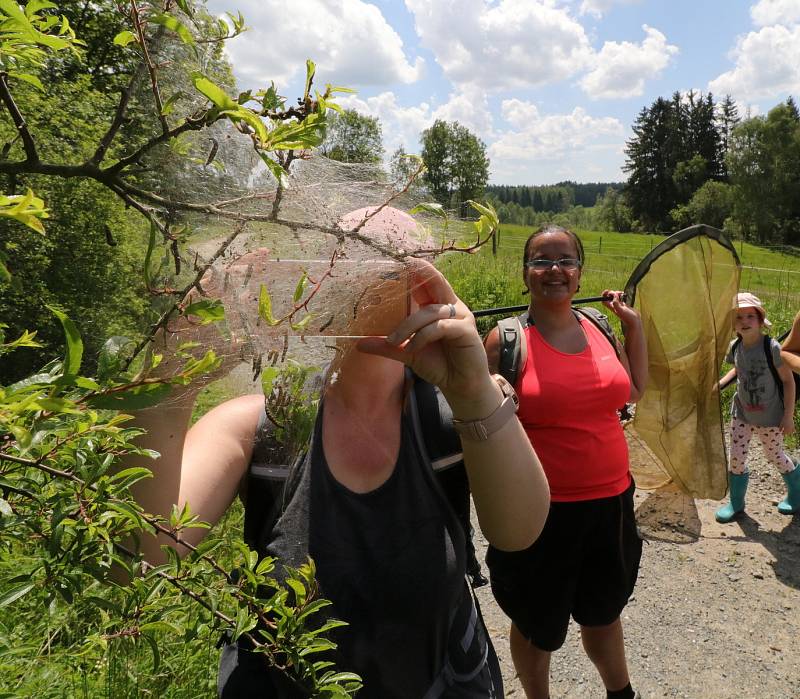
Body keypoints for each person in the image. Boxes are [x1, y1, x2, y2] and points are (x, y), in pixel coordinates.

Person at [126, 248, 551, 698]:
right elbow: (138, 557)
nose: (371, 276)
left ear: (428, 291)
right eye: (349, 255)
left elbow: (519, 532)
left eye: (392, 262)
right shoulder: (253, 426)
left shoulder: (455, 420)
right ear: (320, 288)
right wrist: (169, 377)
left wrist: (474, 393)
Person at [483, 225, 648, 699]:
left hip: (612, 500)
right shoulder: (505, 341)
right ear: (526, 272)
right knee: (538, 623)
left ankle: (622, 694)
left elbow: (633, 390)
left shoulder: (598, 325)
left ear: (579, 272)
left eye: (565, 260)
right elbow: (481, 428)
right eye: (541, 260)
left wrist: (632, 325)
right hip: (539, 511)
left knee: (604, 611)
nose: (554, 270)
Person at [715, 293, 798, 522]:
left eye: (750, 315)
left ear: (760, 320)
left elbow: (788, 381)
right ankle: (736, 503)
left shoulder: (772, 348)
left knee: (775, 455)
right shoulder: (736, 346)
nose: (745, 321)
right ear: (733, 324)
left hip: (770, 416)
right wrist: (719, 385)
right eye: (739, 317)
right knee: (736, 458)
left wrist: (788, 416)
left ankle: (796, 491)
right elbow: (737, 370)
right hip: (741, 412)